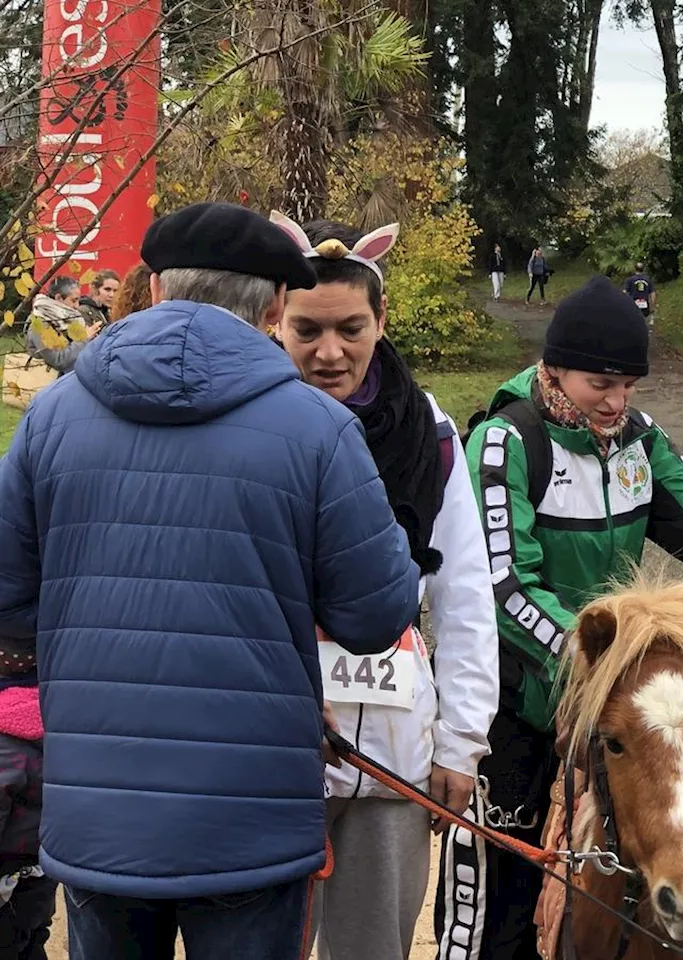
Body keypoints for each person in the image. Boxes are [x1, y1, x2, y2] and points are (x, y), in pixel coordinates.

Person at [0, 201, 421, 959]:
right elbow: (378, 613)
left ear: (156, 289)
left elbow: (9, 594)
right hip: (251, 821)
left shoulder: (51, 418)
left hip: (100, 814)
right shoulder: (320, 431)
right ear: (274, 307)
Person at [435, 275, 683, 960]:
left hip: (619, 689)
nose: (616, 402)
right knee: (502, 902)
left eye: (630, 386)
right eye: (600, 384)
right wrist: (597, 660)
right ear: (553, 369)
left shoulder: (638, 441)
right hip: (529, 696)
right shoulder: (504, 443)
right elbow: (503, 588)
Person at [271, 211, 500, 960]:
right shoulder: (249, 424)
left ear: (382, 318)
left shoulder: (428, 432)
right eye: (307, 330)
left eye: (350, 328)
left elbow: (464, 588)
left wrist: (461, 742)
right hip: (273, 751)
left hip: (394, 749)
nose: (330, 352)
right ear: (276, 317)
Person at [0, 638, 55, 960]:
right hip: (40, 868)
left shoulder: (5, 741)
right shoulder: (56, 723)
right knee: (32, 939)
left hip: (5, 873)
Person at [26, 276, 100, 375]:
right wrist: (84, 338)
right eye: (74, 300)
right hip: (46, 384)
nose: (77, 306)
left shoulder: (67, 319)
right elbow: (58, 360)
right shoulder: (40, 323)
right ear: (59, 298)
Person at [622, 260, 657, 325]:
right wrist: (653, 306)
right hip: (645, 305)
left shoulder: (630, 280)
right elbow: (653, 293)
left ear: (635, 269)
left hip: (633, 305)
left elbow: (624, 293)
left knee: (633, 323)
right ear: (643, 269)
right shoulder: (648, 280)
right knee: (645, 323)